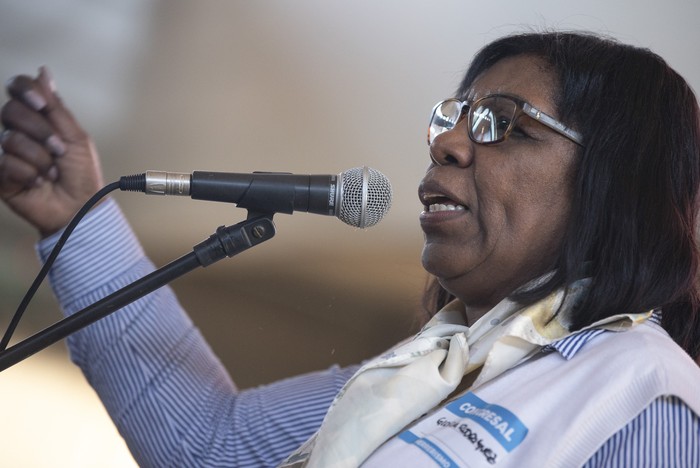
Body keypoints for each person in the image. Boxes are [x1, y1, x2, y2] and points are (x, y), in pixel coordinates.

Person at [1, 30, 699, 467]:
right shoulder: (415, 379)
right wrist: (77, 219)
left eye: (505, 126)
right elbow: (208, 445)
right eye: (453, 118)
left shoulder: (646, 393)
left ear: (614, 181)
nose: (450, 142)